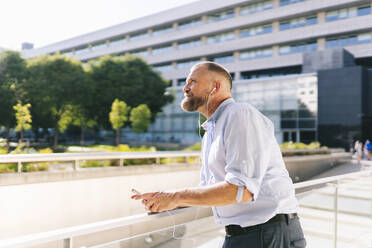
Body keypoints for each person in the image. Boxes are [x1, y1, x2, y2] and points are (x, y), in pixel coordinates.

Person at [132, 62, 306, 247]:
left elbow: (240, 190)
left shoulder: (239, 114)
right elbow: (212, 189)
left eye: (192, 82)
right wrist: (165, 199)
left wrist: (175, 197)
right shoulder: (211, 131)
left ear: (215, 87)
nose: (185, 88)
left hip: (267, 234)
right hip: (245, 235)